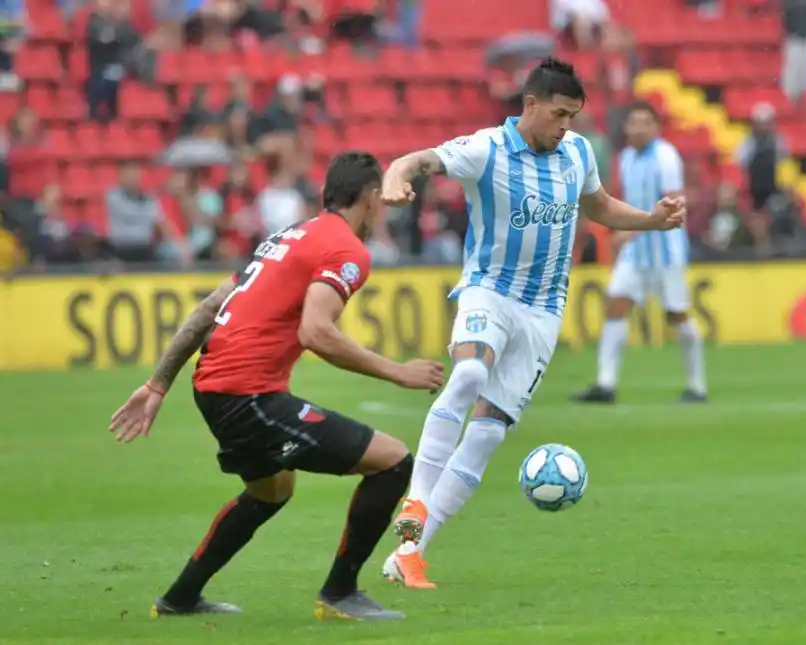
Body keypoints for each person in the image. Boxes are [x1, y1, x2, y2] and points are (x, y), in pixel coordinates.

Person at [376, 58, 686, 589]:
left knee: (489, 433)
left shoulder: (577, 153)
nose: (566, 125)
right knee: (470, 376)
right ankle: (417, 503)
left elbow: (602, 207)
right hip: (489, 291)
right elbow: (418, 160)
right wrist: (395, 177)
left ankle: (409, 553)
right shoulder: (486, 149)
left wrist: (652, 220)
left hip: (543, 311)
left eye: (573, 116)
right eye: (559, 114)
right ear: (530, 105)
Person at [107, 152, 444, 621]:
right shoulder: (346, 250)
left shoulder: (286, 237)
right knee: (392, 462)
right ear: (370, 197)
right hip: (249, 396)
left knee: (271, 490)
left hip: (216, 388)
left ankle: (180, 598)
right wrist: (397, 372)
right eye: (379, 202)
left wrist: (158, 383)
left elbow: (208, 310)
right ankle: (340, 592)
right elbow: (316, 332)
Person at [572, 102, 707, 404]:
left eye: (646, 122)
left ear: (656, 127)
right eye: (634, 122)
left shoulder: (666, 156)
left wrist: (631, 231)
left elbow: (674, 205)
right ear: (626, 128)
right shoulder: (628, 158)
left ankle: (697, 386)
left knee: (677, 317)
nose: (640, 128)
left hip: (665, 251)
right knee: (616, 306)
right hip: (636, 252)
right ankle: (606, 384)